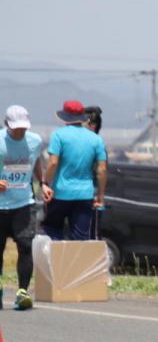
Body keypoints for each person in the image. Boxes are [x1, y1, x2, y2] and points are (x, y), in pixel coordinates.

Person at [43, 100, 106, 240]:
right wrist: (100, 195)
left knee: (52, 230)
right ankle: (78, 262)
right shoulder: (96, 139)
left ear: (65, 116)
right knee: (81, 237)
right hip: (85, 195)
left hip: (60, 193)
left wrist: (45, 183)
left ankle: (56, 261)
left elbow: (53, 163)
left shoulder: (58, 135)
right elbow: (102, 169)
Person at [0, 106, 42, 310]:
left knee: (25, 246)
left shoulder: (35, 141)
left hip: (24, 203)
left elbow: (36, 161)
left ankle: (22, 292)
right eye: (16, 128)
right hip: (0, 206)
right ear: (7, 124)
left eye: (23, 128)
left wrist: (43, 182)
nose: (20, 132)